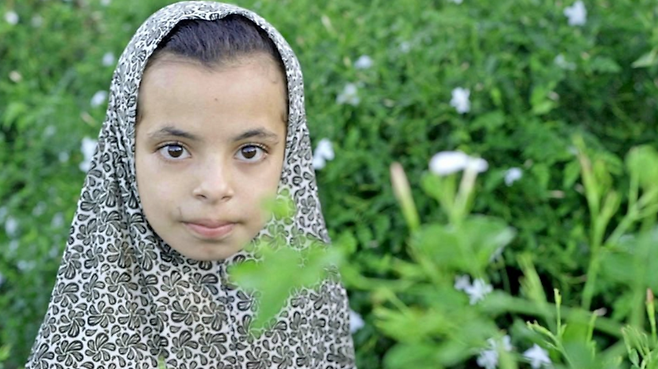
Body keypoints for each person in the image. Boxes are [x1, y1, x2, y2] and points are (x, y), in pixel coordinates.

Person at [25, 2, 355, 368]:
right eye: (175, 149)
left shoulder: (309, 306)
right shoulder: (88, 348)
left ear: (289, 152)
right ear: (125, 148)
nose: (214, 187)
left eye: (249, 151)